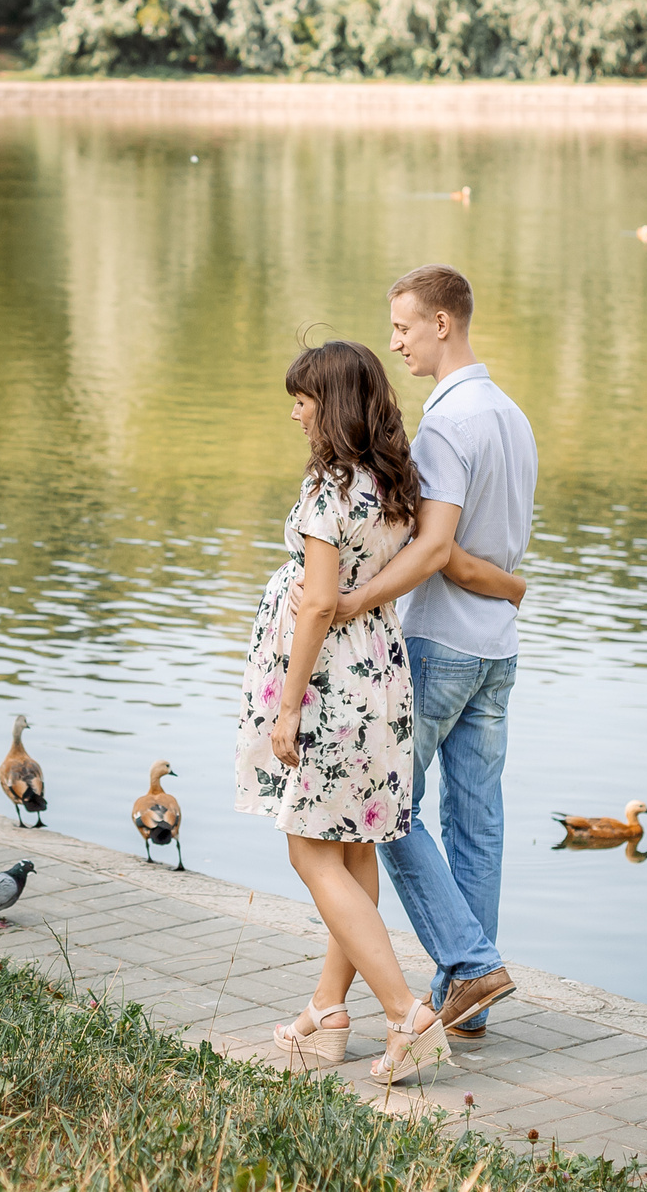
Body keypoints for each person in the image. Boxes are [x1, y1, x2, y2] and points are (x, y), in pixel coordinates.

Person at [328, 264, 537, 1041]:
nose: (396, 343)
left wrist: (352, 601)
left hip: (441, 642)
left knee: (385, 809)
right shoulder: (512, 415)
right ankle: (467, 988)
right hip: (498, 651)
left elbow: (434, 545)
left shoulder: (449, 422)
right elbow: (499, 546)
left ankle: (469, 962)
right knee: (477, 820)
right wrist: (509, 588)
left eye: (404, 327)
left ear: (442, 323)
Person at [233, 339, 446, 1085]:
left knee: (309, 850)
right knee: (353, 851)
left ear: (334, 405)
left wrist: (287, 708)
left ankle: (405, 1014)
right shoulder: (393, 479)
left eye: (302, 399)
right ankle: (329, 1011)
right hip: (379, 678)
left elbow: (320, 599)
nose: (295, 413)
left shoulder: (329, 486)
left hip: (329, 684)